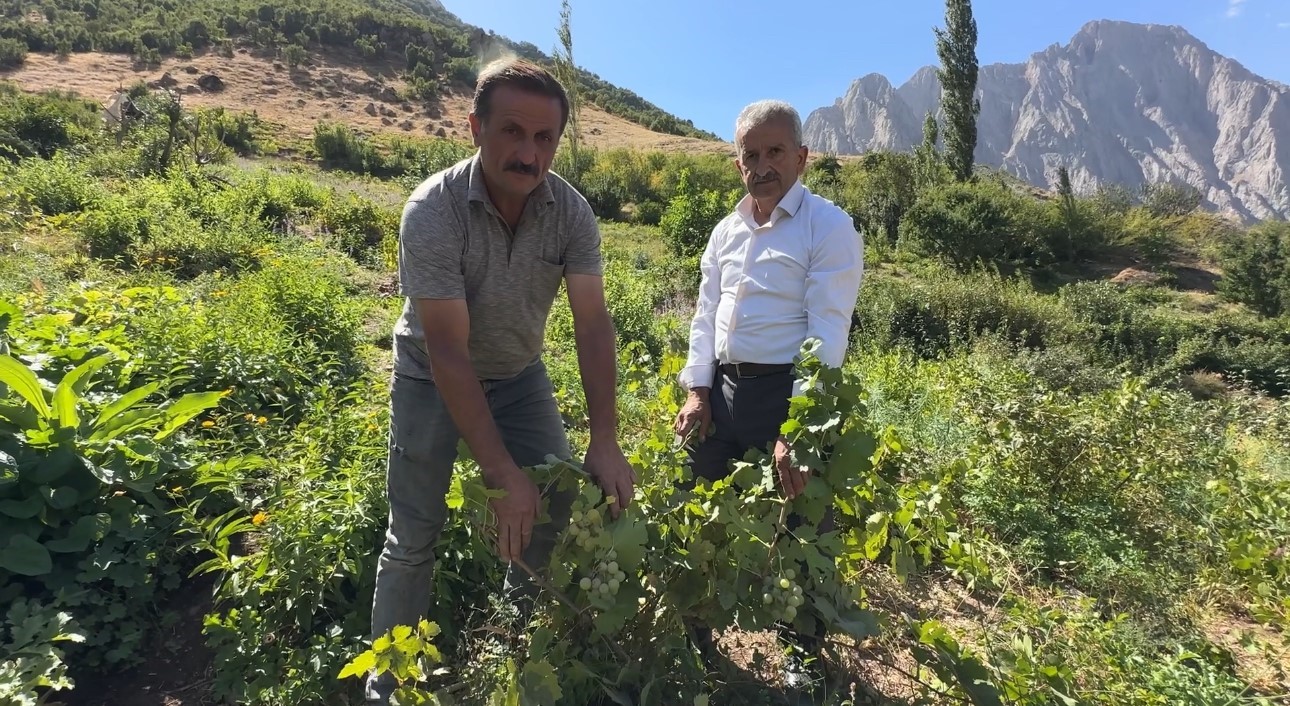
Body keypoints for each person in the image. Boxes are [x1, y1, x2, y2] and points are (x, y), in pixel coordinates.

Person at [366, 57, 638, 705]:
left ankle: (514, 648)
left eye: (545, 138)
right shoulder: (432, 210)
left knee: (552, 509)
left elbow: (593, 326)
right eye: (512, 132)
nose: (528, 153)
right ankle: (392, 684)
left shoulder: (571, 213)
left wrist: (606, 438)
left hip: (518, 374)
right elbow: (449, 354)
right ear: (475, 128)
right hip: (431, 374)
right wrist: (498, 471)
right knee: (413, 532)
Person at [673, 99, 864, 691]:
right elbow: (705, 315)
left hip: (788, 393)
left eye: (774, 152)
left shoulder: (828, 227)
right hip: (722, 392)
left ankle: (802, 657)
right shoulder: (726, 231)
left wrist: (798, 430)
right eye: (750, 155)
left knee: (802, 523)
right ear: (738, 164)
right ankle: (692, 633)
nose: (762, 165)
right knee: (696, 506)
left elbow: (826, 332)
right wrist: (697, 389)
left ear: (801, 157)